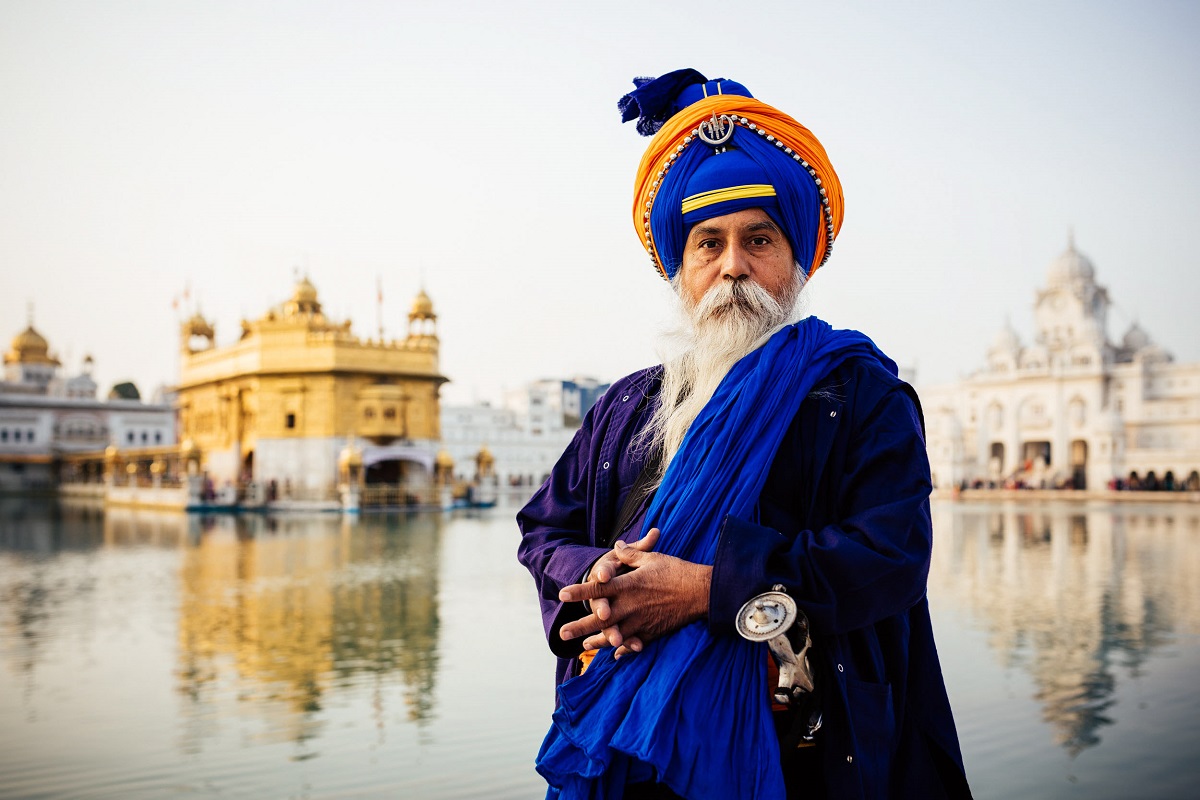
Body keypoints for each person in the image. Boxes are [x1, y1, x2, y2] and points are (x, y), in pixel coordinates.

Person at [517, 69, 971, 800]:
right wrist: (600, 577)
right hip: (639, 761)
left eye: (758, 239)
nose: (733, 266)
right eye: (709, 244)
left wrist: (706, 591)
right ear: (680, 268)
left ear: (796, 258)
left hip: (810, 761)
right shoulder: (629, 406)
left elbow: (890, 555)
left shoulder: (858, 395)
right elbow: (544, 530)